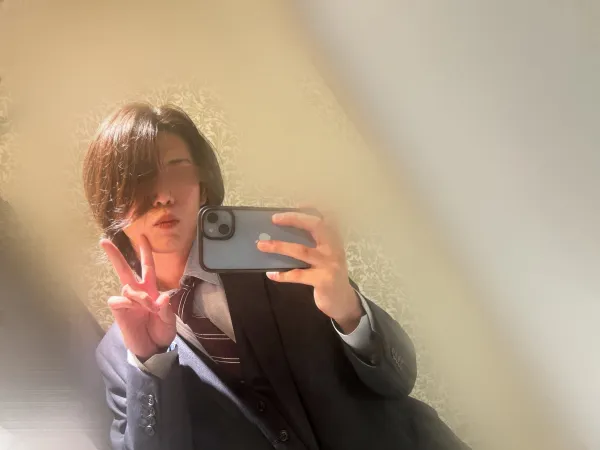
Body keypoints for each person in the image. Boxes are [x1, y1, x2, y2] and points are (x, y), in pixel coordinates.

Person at [83, 103, 468, 450]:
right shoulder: (120, 357)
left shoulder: (280, 254)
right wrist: (149, 363)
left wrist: (349, 311)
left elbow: (400, 378)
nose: (163, 195)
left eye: (177, 169)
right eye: (140, 179)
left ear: (203, 186)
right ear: (112, 204)